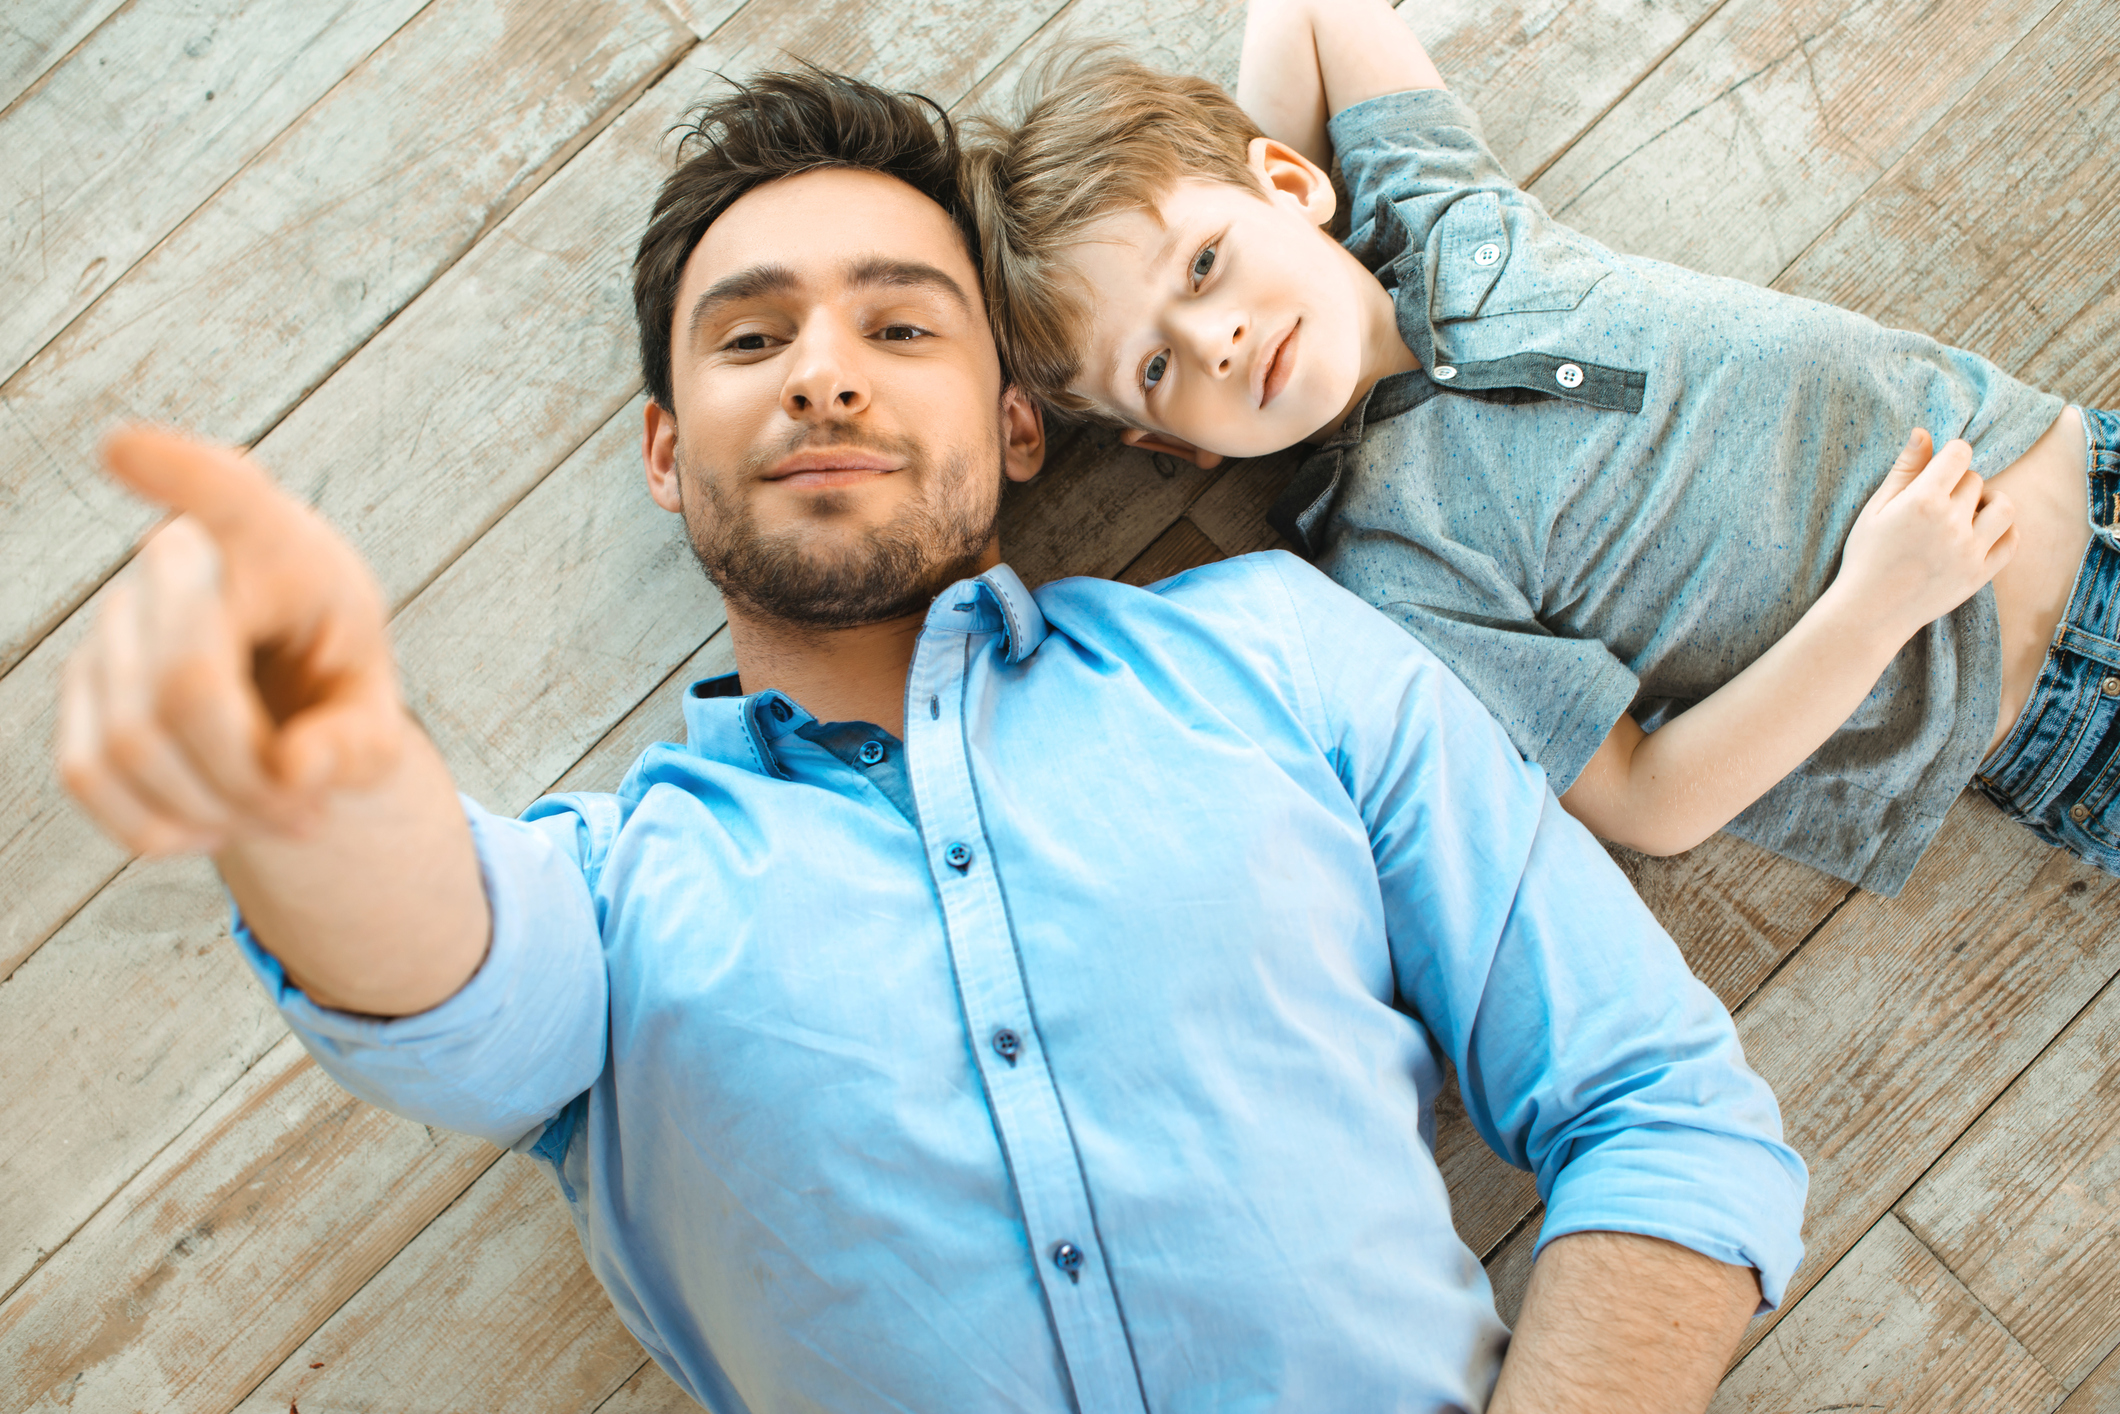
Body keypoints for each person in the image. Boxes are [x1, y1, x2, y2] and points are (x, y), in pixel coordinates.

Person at [54, 68, 1805, 1414]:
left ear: (1019, 421)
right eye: (753, 339)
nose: (825, 374)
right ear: (669, 453)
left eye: (902, 325)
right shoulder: (611, 892)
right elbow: (442, 986)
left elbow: (1665, 1112)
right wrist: (323, 767)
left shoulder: (1285, 649)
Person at [966, 0, 2113, 896]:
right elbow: (1644, 801)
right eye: (1157, 369)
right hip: (2051, 712)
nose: (1214, 338)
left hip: (2081, 464)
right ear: (1168, 443)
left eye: (1205, 264)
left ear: (1285, 177)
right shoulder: (1390, 567)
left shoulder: (1439, 210)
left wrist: (1267, 208)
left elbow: (1310, 20)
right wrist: (1878, 602)